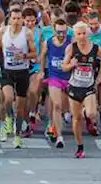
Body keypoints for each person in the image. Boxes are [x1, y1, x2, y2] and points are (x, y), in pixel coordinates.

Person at [63, 22, 101, 159]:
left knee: (91, 113)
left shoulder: (95, 48)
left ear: (87, 34)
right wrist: (71, 64)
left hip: (88, 87)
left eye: (84, 33)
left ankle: (85, 110)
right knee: (76, 119)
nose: (82, 36)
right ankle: (80, 146)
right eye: (79, 34)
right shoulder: (71, 48)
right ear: (75, 35)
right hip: (74, 87)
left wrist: (100, 74)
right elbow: (64, 66)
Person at [0, 8, 37, 148]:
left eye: (18, 18)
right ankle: (7, 120)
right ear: (10, 19)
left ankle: (17, 135)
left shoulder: (27, 33)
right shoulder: (2, 31)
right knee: (8, 98)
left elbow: (34, 53)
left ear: (22, 19)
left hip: (22, 71)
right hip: (7, 71)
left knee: (20, 107)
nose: (16, 22)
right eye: (14, 18)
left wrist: (24, 56)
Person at [41, 19, 71, 148]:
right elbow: (42, 55)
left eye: (64, 32)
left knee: (64, 108)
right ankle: (59, 137)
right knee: (57, 105)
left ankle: (53, 125)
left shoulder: (71, 41)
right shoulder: (49, 42)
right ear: (54, 30)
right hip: (54, 77)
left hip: (69, 78)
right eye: (59, 32)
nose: (61, 35)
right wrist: (42, 71)